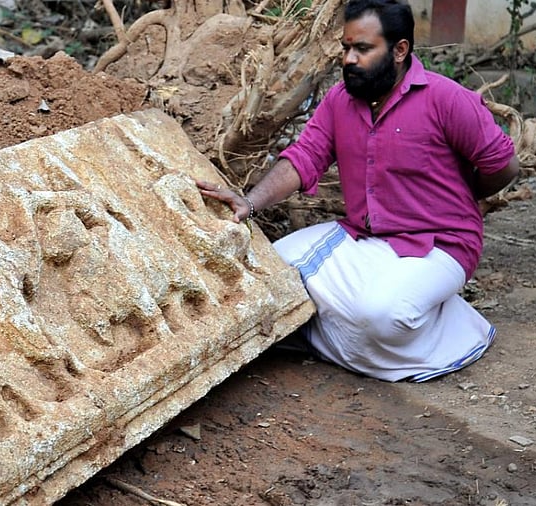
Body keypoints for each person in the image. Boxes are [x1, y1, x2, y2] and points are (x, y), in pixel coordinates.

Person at [197, 0, 519, 382]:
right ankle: (342, 335)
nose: (349, 59)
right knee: (269, 275)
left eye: (363, 49)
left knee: (385, 316)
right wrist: (249, 202)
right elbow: (304, 157)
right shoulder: (339, 100)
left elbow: (504, 166)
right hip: (363, 237)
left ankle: (459, 330)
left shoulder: (446, 98)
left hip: (441, 244)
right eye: (346, 48)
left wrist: (465, 199)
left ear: (400, 50)